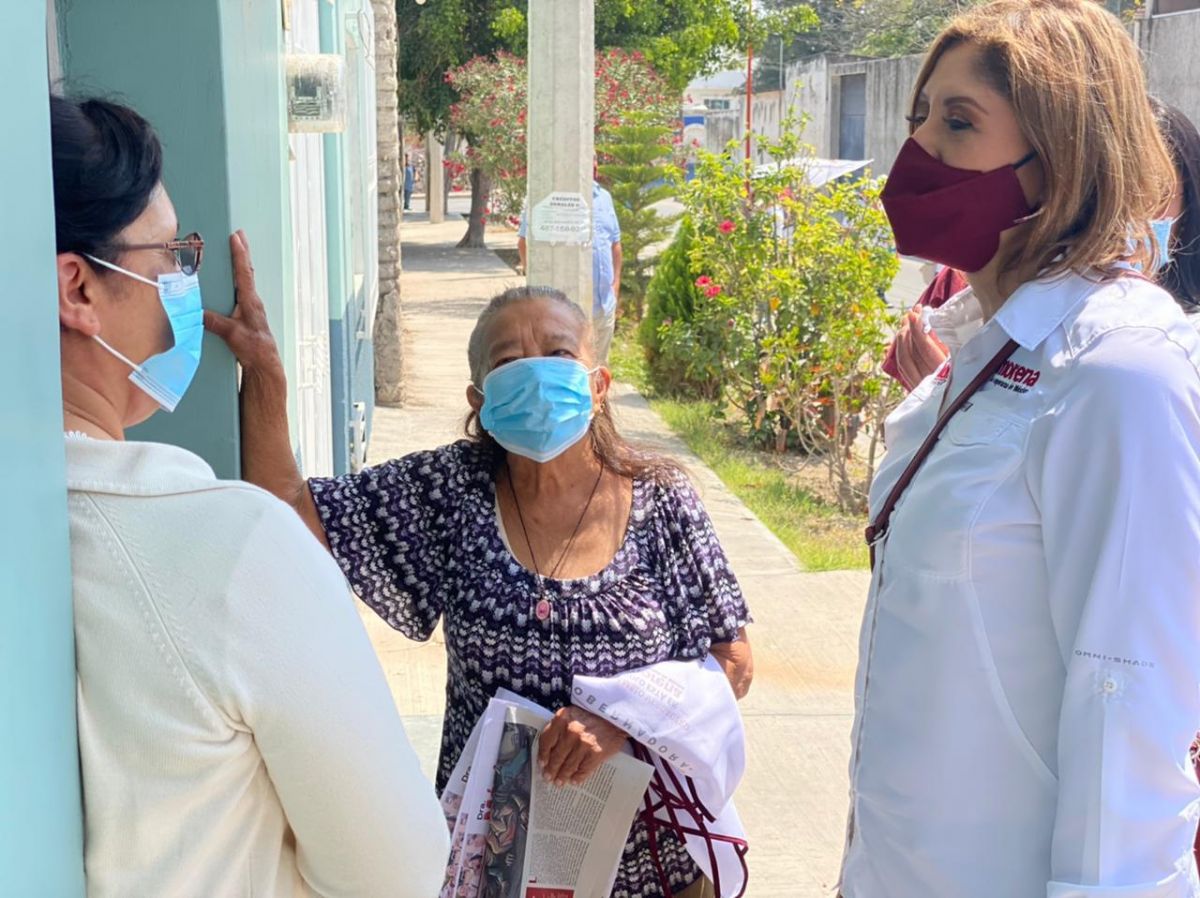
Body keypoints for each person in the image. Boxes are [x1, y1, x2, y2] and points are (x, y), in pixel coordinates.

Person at [206, 280, 754, 898]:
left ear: (598, 385)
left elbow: (732, 661)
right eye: (510, 361)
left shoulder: (661, 499)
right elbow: (290, 509)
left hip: (652, 865)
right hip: (497, 863)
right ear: (479, 399)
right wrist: (265, 372)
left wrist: (623, 723)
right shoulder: (451, 491)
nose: (537, 374)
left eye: (558, 353)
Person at [840, 2, 1200, 897]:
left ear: (1063, 155)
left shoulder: (1116, 370)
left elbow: (1128, 698)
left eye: (960, 123)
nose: (919, 149)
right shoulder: (979, 347)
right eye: (921, 115)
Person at [54, 95, 447, 897]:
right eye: (171, 253)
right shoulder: (228, 548)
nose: (185, 281)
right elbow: (401, 874)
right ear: (79, 289)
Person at [517, 162, 623, 364]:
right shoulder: (544, 197)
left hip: (602, 309)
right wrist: (536, 288)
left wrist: (615, 287)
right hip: (561, 314)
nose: (590, 166)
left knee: (598, 369)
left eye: (593, 161)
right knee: (566, 371)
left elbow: (615, 244)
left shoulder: (604, 197)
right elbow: (524, 243)